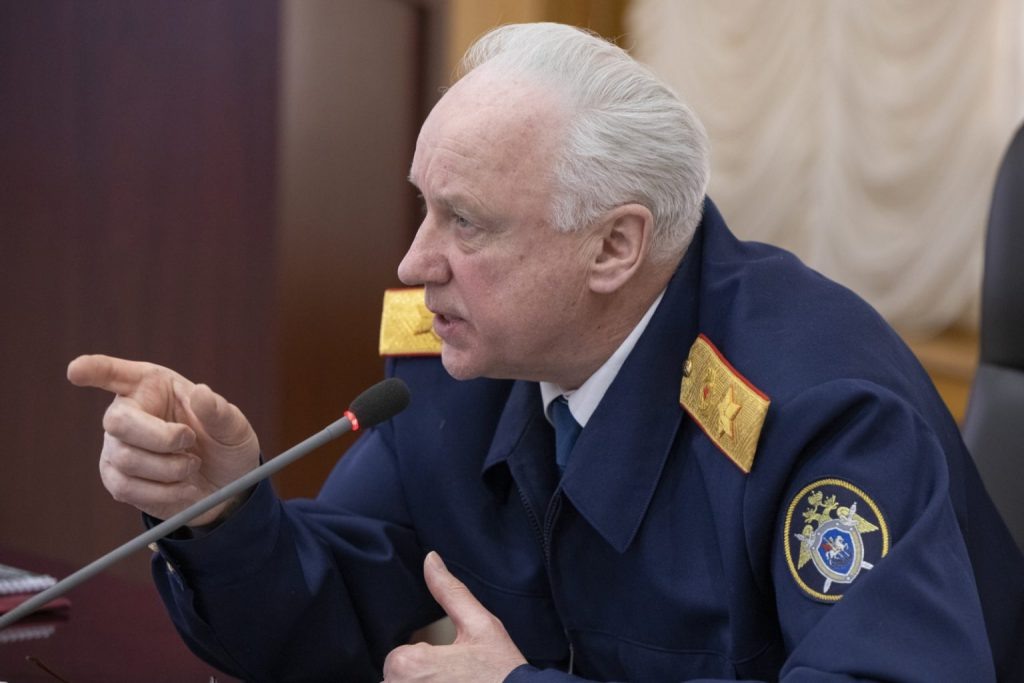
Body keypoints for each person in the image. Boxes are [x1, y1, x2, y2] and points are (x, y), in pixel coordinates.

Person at [67, 22, 1023, 683]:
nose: (413, 262)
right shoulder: (461, 367)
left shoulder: (817, 407)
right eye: (424, 206)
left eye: (466, 221)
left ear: (614, 247)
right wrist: (223, 513)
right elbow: (330, 613)